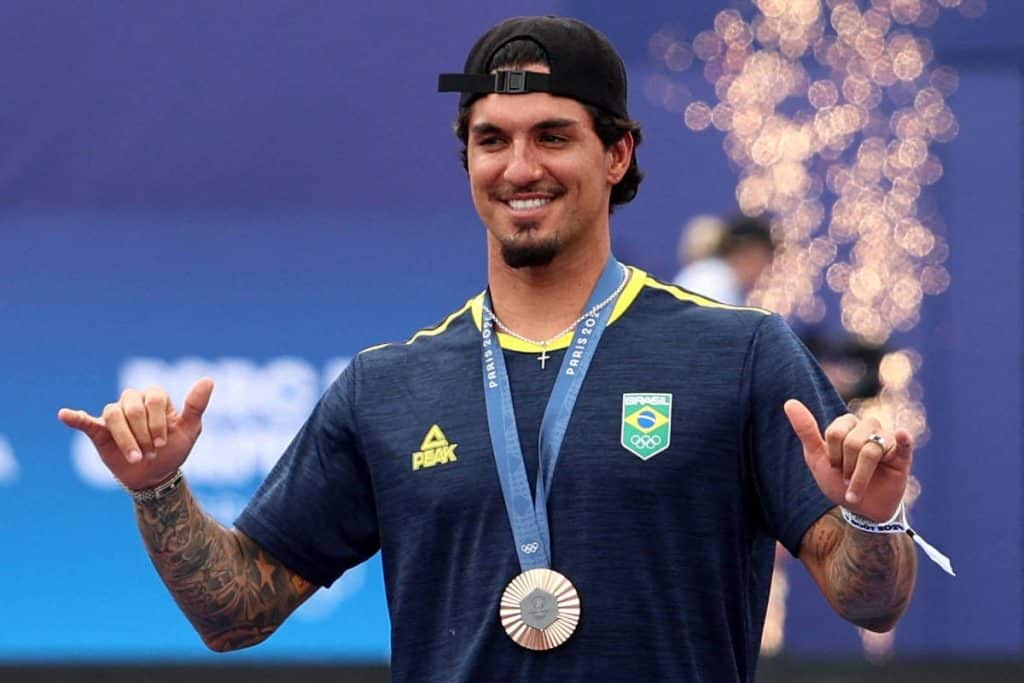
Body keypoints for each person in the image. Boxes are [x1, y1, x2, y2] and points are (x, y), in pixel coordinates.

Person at [59, 16, 922, 682]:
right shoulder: (388, 385)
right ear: (467, 159)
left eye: (553, 135)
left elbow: (870, 600)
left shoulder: (739, 353)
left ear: (617, 153)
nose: (519, 167)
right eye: (492, 139)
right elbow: (234, 611)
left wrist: (874, 518)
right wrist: (158, 489)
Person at [673, 214, 776, 305]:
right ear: (750, 253)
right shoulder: (710, 284)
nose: (767, 267)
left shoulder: (724, 282)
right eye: (765, 258)